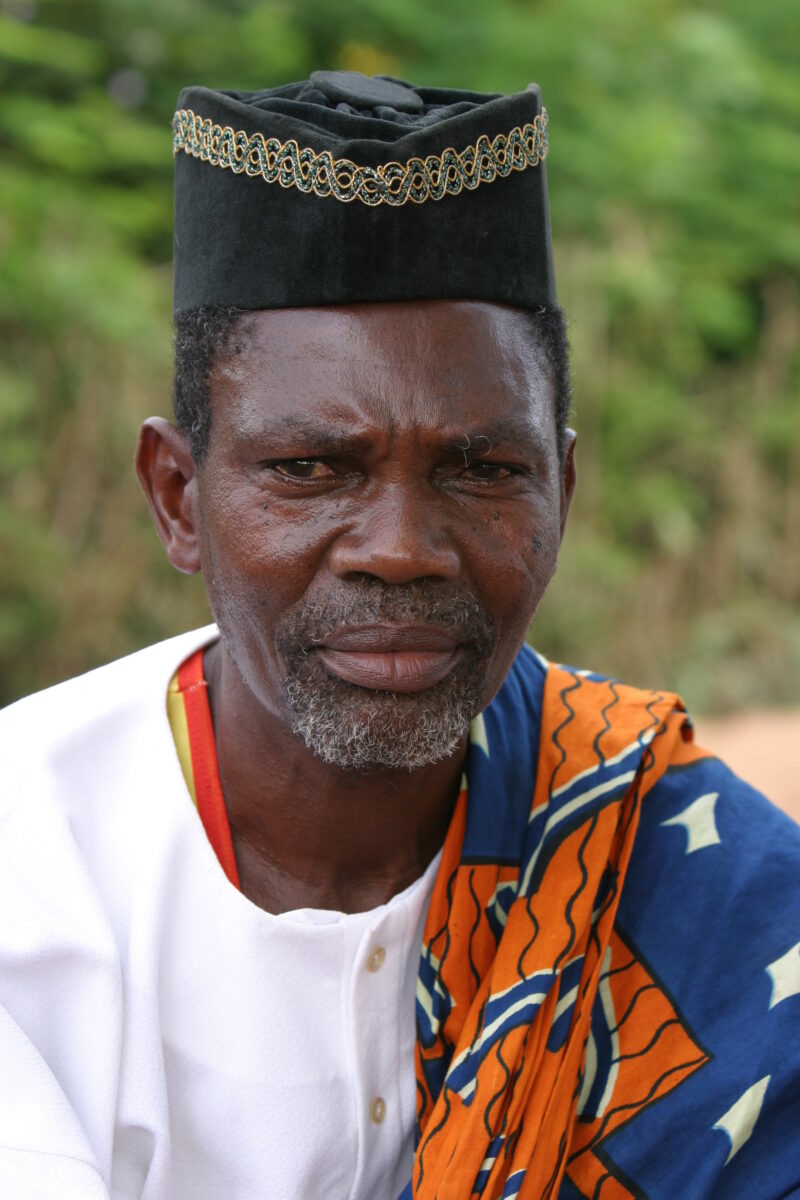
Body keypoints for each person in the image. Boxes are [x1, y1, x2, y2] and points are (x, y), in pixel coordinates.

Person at [1, 70, 798, 1200]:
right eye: (309, 470)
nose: (401, 549)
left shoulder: (709, 890)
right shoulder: (28, 872)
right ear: (178, 497)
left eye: (482, 470)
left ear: (562, 492)